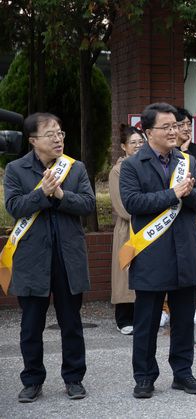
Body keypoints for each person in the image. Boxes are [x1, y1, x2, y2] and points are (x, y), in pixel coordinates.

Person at [1, 113, 95, 402]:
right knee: (31, 325)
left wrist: (61, 195)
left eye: (60, 133)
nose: (58, 139)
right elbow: (14, 207)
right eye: (50, 134)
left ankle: (74, 378)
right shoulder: (16, 170)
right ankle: (32, 380)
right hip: (32, 259)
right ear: (33, 141)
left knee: (71, 323)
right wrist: (42, 193)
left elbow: (88, 204)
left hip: (68, 258)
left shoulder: (75, 168)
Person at [119, 102, 196, 399]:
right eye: (167, 127)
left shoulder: (187, 161)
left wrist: (190, 193)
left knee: (183, 319)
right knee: (146, 321)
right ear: (147, 132)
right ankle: (144, 376)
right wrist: (174, 193)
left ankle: (183, 373)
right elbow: (133, 203)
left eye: (177, 125)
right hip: (151, 252)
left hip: (186, 249)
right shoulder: (133, 165)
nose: (175, 131)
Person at [159, 106, 196, 328]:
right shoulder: (159, 156)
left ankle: (190, 308)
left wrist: (185, 153)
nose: (186, 129)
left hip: (189, 217)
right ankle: (163, 308)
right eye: (182, 125)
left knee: (188, 265)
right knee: (163, 263)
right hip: (162, 220)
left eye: (190, 125)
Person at [109, 125, 144, 335]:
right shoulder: (118, 170)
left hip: (145, 229)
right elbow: (121, 205)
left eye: (141, 142)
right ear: (123, 146)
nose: (138, 146)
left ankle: (141, 317)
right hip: (128, 228)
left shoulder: (146, 166)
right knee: (124, 273)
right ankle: (123, 319)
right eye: (133, 143)